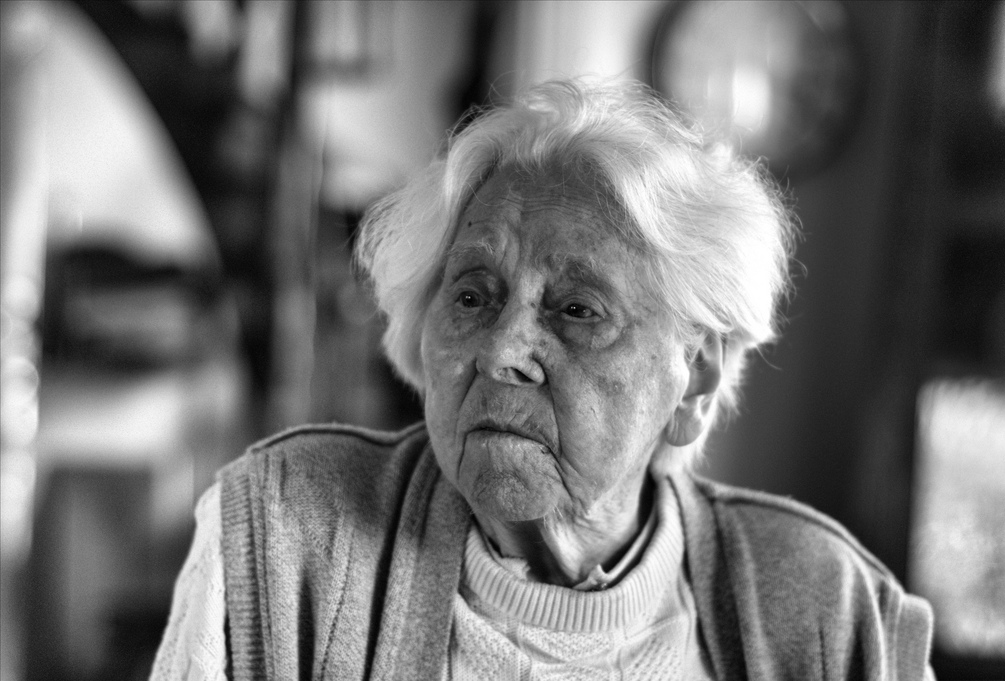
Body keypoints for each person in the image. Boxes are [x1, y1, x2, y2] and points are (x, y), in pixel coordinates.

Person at [150, 78, 934, 680]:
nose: (503, 351)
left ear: (695, 377)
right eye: (472, 296)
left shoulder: (829, 609)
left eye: (579, 310)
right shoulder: (285, 530)